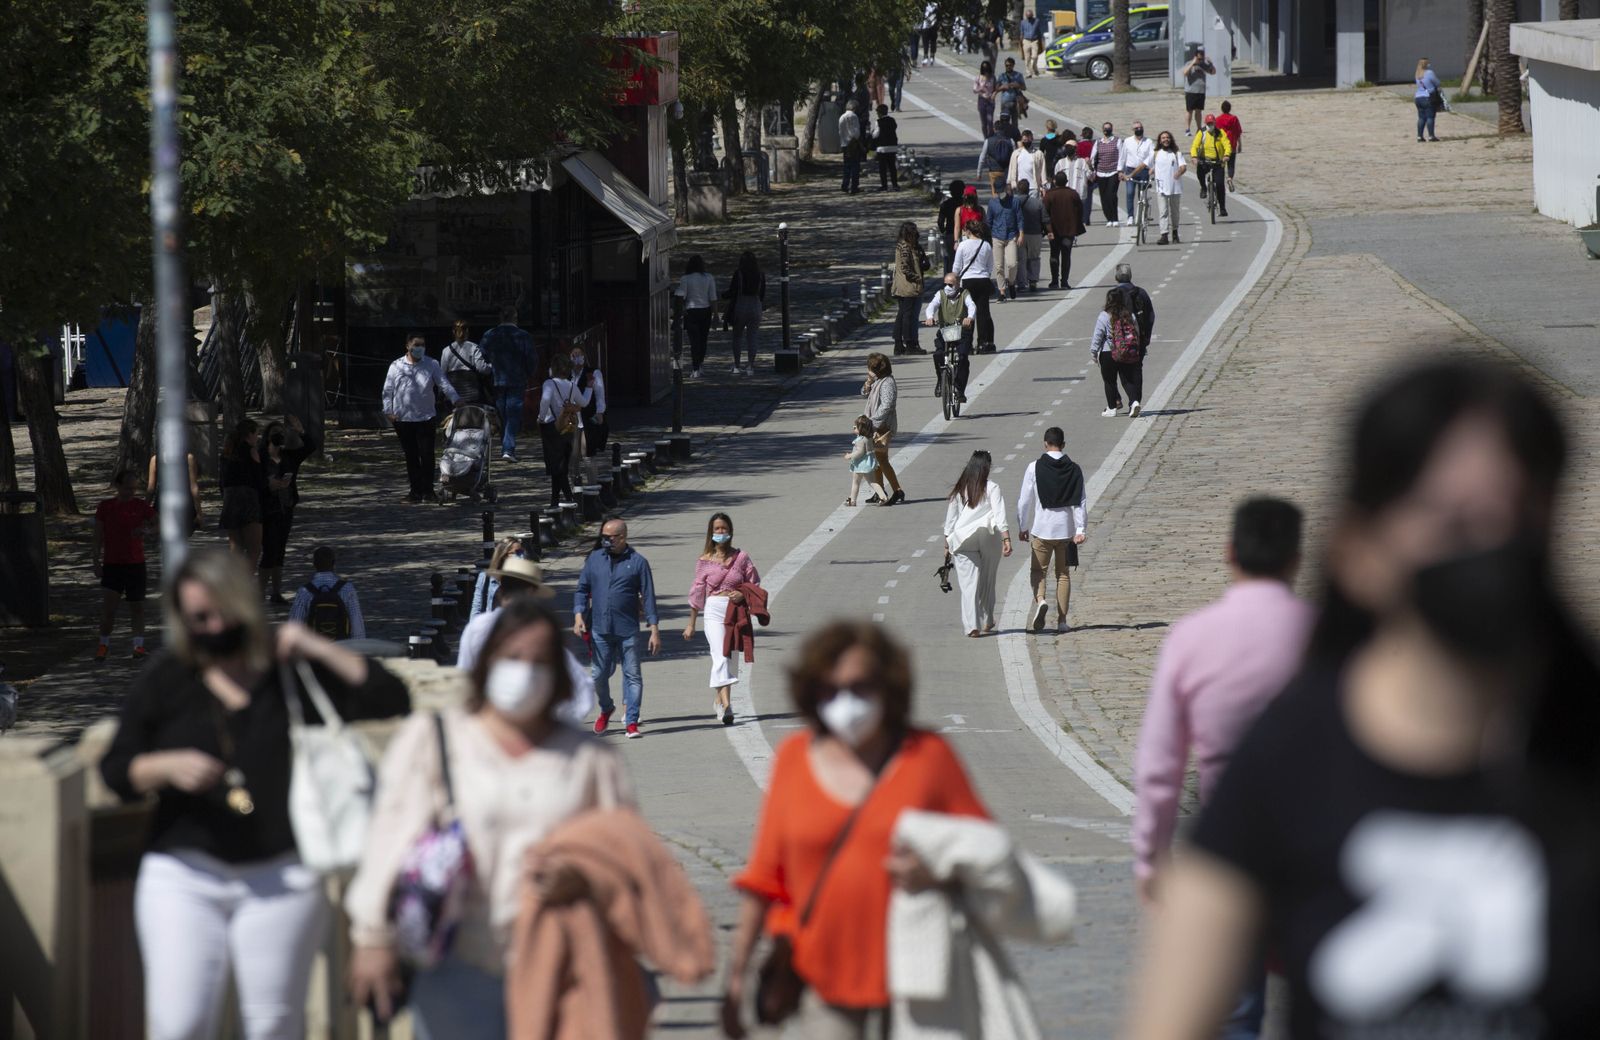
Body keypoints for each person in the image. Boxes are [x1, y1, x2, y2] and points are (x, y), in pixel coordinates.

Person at [1127, 360, 1600, 1038]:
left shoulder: (1580, 752)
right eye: (1454, 521)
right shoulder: (1288, 763)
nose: (1493, 549)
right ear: (1359, 549)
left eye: (1517, 517)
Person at [99, 549, 408, 1040]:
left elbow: (390, 697)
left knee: (272, 1026)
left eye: (224, 611)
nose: (215, 625)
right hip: (184, 873)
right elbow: (116, 768)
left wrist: (313, 645)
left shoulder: (286, 673)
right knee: (179, 1023)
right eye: (200, 617)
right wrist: (164, 766)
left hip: (281, 875)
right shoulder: (169, 677)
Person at [346, 597, 633, 1037]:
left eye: (538, 661)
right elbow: (389, 839)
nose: (524, 672)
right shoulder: (435, 739)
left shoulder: (591, 759)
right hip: (458, 960)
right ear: (487, 664)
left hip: (562, 964)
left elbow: (624, 851)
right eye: (512, 658)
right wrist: (372, 936)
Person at [720, 622, 991, 1040]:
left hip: (919, 976)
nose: (846, 701)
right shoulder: (794, 759)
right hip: (821, 973)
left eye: (861, 687)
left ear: (889, 688)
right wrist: (736, 976)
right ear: (811, 692)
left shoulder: (928, 758)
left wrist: (937, 870)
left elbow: (986, 852)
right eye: (831, 689)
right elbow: (764, 878)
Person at [1131, 496, 1308, 1038]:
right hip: (1319, 844)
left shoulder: (1192, 639)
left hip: (1233, 847)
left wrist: (1149, 858)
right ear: (1295, 559)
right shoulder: (1326, 639)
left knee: (1236, 1010)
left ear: (1230, 553)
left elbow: (1159, 767)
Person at [455, 556, 597, 723]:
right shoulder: (542, 632)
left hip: (488, 726)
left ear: (500, 592)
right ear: (533, 594)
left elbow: (463, 677)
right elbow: (583, 691)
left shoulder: (477, 627)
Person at [575, 518, 661, 739]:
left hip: (628, 629)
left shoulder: (638, 562)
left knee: (633, 675)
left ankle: (631, 722)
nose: (605, 541)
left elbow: (649, 597)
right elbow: (582, 589)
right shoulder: (594, 559)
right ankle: (606, 708)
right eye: (603, 536)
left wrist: (653, 629)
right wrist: (578, 615)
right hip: (600, 629)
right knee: (598, 675)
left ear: (622, 537)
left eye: (609, 537)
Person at [683, 512, 762, 727]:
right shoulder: (704, 562)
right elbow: (697, 593)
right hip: (714, 610)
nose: (720, 532)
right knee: (719, 655)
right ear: (711, 532)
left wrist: (742, 594)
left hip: (735, 610)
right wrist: (691, 623)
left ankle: (719, 700)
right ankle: (728, 706)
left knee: (730, 659)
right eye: (717, 529)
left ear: (730, 531)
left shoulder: (742, 557)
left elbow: (754, 582)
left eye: (724, 529)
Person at [1016, 428, 1087, 634]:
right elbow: (1080, 500)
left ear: (1045, 443)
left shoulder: (1034, 467)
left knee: (1038, 571)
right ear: (1063, 445)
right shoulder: (1074, 469)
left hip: (1042, 529)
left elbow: (1024, 500)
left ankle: (1040, 601)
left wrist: (1022, 526)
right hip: (1066, 531)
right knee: (1063, 575)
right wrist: (1080, 528)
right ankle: (1062, 621)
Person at [382, 333, 459, 503]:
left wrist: (456, 398)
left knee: (427, 455)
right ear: (408, 345)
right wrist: (388, 411)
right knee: (411, 455)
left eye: (422, 345)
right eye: (416, 344)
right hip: (403, 418)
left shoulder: (431, 364)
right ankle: (415, 491)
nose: (420, 348)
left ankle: (428, 491)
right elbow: (388, 390)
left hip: (425, 417)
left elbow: (443, 383)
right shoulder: (396, 366)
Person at [943, 451, 1011, 636]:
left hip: (964, 538)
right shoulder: (992, 487)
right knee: (988, 580)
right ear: (987, 468)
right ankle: (988, 618)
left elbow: (951, 520)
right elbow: (999, 514)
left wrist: (947, 542)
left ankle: (972, 625)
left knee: (969, 585)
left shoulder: (960, 489)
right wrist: (1006, 537)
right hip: (988, 535)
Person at [94, 469, 157, 662]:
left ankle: (138, 645)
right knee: (109, 609)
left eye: (134, 489)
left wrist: (146, 530)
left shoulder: (141, 506)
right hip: (112, 564)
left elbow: (158, 523)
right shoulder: (106, 507)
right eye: (127, 488)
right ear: (117, 486)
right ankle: (103, 644)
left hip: (136, 563)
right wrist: (95, 560)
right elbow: (97, 535)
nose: (130, 492)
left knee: (137, 606)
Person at [259, 415, 316, 606]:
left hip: (286, 507)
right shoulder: (260, 458)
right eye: (276, 434)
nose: (280, 438)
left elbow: (311, 447)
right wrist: (269, 485)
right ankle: (259, 594)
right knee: (269, 550)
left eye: (282, 434)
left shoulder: (289, 457)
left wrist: (301, 430)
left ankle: (276, 592)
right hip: (267, 508)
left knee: (280, 550)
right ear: (268, 437)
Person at [479, 304, 536, 462]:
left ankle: (506, 445)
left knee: (502, 412)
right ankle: (508, 448)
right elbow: (531, 359)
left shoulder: (489, 335)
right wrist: (529, 373)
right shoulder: (523, 336)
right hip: (517, 378)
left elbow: (481, 356)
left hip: (496, 378)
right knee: (513, 412)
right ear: (515, 318)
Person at [536, 353, 591, 508]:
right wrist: (589, 388)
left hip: (552, 426)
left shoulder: (549, 383)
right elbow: (584, 403)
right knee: (562, 464)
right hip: (569, 426)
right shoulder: (572, 385)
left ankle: (565, 498)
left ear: (553, 368)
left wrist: (541, 417)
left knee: (555, 465)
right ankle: (560, 498)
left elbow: (545, 400)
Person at [288, 545, 366, 641]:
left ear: (314, 564)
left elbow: (295, 624)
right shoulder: (347, 589)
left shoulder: (304, 591)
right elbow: (356, 623)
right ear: (333, 563)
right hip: (341, 647)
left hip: (315, 648)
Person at [218, 419, 266, 569]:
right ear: (250, 434)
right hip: (248, 499)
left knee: (236, 547)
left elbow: (222, 481)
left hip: (230, 500)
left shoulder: (227, 452)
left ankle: (233, 582)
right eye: (256, 434)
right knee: (254, 548)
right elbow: (259, 480)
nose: (257, 438)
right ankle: (245, 582)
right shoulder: (251, 451)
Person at [924, 271, 977, 406]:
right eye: (945, 284)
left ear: (958, 284)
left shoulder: (965, 294)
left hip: (962, 330)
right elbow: (932, 306)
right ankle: (940, 380)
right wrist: (930, 317)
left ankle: (960, 390)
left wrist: (969, 318)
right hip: (945, 330)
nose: (947, 287)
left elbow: (972, 305)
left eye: (951, 284)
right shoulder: (940, 294)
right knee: (938, 354)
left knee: (963, 358)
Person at [1091, 287, 1145, 418]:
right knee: (1127, 380)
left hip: (1108, 352)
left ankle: (1112, 408)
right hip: (1126, 352)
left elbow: (1098, 335)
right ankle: (1134, 402)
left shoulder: (1104, 315)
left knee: (1109, 381)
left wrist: (1093, 351)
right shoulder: (1129, 314)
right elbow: (1136, 332)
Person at [860, 353, 905, 506]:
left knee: (882, 460)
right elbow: (864, 393)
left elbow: (887, 405)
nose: (868, 370)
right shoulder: (878, 380)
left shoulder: (887, 383)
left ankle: (897, 490)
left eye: (870, 368)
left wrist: (872, 422)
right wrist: (868, 382)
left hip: (882, 426)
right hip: (875, 425)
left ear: (877, 369)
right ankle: (880, 491)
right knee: (876, 460)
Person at [952, 218, 996, 355]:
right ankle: (982, 343)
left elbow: (957, 267)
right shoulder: (986, 245)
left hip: (967, 281)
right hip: (983, 279)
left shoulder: (963, 246)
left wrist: (954, 281)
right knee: (983, 312)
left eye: (964, 230)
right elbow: (990, 266)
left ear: (968, 231)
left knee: (967, 313)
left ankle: (967, 344)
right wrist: (985, 274)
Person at [890, 221, 931, 357]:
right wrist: (917, 278)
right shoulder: (905, 247)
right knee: (907, 316)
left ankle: (899, 344)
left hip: (905, 286)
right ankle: (909, 344)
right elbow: (905, 268)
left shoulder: (910, 246)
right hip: (907, 287)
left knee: (902, 314)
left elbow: (923, 263)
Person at [675, 254, 718, 379]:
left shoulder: (685, 279)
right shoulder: (709, 278)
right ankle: (700, 365)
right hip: (705, 311)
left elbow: (682, 297)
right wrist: (715, 314)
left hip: (691, 311)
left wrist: (681, 310)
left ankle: (695, 368)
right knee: (703, 340)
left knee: (694, 341)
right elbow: (713, 297)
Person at [1043, 171, 1087, 289]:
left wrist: (1046, 230)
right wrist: (1076, 226)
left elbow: (1044, 214)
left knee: (1054, 255)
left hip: (1054, 231)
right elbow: (1080, 211)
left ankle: (1054, 281)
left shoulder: (1049, 195)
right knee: (1066, 255)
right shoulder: (1073, 194)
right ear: (1066, 182)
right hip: (1069, 230)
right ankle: (1064, 282)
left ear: (1054, 181)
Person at [146, 449, 202, 540]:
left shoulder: (188, 458)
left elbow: (194, 486)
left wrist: (199, 513)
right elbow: (150, 488)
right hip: (162, 505)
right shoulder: (155, 460)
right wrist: (144, 510)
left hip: (184, 505)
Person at [725, 251, 766, 375]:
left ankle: (737, 365)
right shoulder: (760, 275)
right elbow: (762, 294)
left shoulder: (739, 274)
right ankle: (750, 365)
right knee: (752, 336)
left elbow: (733, 291)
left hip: (741, 306)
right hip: (755, 306)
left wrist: (723, 295)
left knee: (737, 336)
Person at [469, 536, 525, 621]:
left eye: (521, 552)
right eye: (515, 553)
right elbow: (476, 608)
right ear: (503, 555)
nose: (520, 557)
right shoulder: (485, 577)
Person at [1189, 114, 1233, 217]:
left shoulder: (1220, 133)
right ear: (1205, 123)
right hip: (1205, 160)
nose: (1210, 125)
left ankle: (1222, 207)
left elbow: (1227, 144)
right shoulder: (1202, 132)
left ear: (1215, 123)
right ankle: (1203, 188)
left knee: (1220, 185)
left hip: (1218, 162)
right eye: (1208, 124)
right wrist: (1194, 157)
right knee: (1200, 172)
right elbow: (1195, 145)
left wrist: (1226, 155)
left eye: (1212, 123)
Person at [441, 319, 493, 406]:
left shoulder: (446, 350)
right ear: (467, 331)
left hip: (454, 393)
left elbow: (442, 373)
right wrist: (491, 366)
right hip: (472, 392)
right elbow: (482, 369)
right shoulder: (474, 348)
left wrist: (441, 393)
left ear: (453, 332)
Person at [570, 341, 608, 457]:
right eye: (573, 355)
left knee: (587, 450)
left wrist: (600, 412)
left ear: (584, 356)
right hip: (572, 417)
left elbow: (599, 394)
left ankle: (590, 473)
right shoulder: (568, 374)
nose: (576, 357)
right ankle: (575, 474)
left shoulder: (593, 373)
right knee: (573, 451)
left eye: (579, 354)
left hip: (588, 415)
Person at [986, 182, 1023, 302]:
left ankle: (1011, 282)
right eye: (998, 191)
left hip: (1011, 236)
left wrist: (1021, 234)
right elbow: (989, 222)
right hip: (996, 236)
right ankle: (1002, 292)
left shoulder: (1015, 201)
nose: (1000, 194)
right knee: (999, 266)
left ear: (1006, 189)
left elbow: (1020, 218)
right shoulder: (992, 203)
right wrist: (987, 238)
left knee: (1012, 264)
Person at [1152, 130, 1187, 246]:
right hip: (1161, 187)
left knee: (1175, 212)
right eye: (1163, 138)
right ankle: (1164, 235)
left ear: (1170, 139)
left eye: (1167, 137)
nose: (1165, 139)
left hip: (1175, 187)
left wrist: (1179, 172)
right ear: (1160, 140)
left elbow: (1183, 167)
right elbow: (1149, 165)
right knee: (1163, 212)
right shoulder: (1156, 153)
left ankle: (1175, 232)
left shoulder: (1176, 153)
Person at [1054, 132, 1093, 228]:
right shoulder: (1060, 163)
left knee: (1076, 218)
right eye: (1067, 147)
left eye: (1071, 147)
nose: (1068, 150)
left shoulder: (1082, 162)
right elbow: (1056, 179)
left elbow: (1090, 176)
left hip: (1078, 195)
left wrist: (1090, 166)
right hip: (1064, 195)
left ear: (1075, 149)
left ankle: (1073, 236)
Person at [1089, 121, 1124, 226]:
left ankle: (1115, 218)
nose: (1106, 130)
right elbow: (1092, 156)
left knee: (1111, 195)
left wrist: (1120, 170)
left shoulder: (1117, 141)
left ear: (1111, 129)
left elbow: (1121, 156)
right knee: (1103, 197)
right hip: (1101, 173)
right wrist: (1093, 170)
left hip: (1113, 172)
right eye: (1105, 128)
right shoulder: (1098, 142)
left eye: (1108, 128)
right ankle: (1109, 218)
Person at [1121, 121, 1156, 227]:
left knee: (1142, 194)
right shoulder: (1127, 141)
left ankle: (1142, 214)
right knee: (1130, 193)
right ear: (1133, 130)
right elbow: (1123, 157)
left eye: (1140, 127)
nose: (1139, 129)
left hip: (1144, 171)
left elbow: (1153, 155)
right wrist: (1120, 171)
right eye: (1136, 128)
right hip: (1130, 170)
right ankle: (1130, 216)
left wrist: (1152, 168)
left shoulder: (1148, 141)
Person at [1017, 179, 1047, 292]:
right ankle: (1033, 281)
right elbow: (1044, 219)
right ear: (1029, 189)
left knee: (1021, 259)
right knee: (1034, 258)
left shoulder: (1014, 202)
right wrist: (1047, 231)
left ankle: (1021, 283)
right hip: (1035, 234)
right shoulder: (1038, 202)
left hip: (1019, 235)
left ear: (1018, 189)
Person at [843, 415, 879, 507]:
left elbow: (859, 453)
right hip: (868, 463)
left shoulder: (860, 440)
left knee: (856, 483)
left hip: (860, 465)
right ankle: (883, 496)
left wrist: (849, 456)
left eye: (855, 427)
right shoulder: (868, 438)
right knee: (872, 482)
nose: (853, 428)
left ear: (861, 429)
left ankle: (852, 500)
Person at [975, 116, 1013, 197]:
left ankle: (997, 206)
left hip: (994, 170)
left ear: (994, 129)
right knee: (1007, 192)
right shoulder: (1010, 141)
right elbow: (1015, 158)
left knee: (995, 191)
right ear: (1003, 129)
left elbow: (982, 158)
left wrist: (979, 173)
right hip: (1007, 171)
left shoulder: (988, 141)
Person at [1182, 46, 1216, 133]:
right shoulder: (1189, 63)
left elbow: (1213, 72)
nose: (1201, 57)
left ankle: (1198, 128)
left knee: (1199, 111)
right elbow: (1185, 73)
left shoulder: (1204, 64)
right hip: (1191, 91)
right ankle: (1187, 129)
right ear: (1196, 55)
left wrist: (1211, 64)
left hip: (1201, 91)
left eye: (1202, 55)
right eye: (1199, 55)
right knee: (1189, 111)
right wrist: (1193, 63)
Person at [936, 179, 967, 274]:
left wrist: (943, 230)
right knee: (964, 258)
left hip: (950, 233)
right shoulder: (965, 204)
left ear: (951, 191)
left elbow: (940, 221)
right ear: (963, 191)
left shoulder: (945, 204)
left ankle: (950, 280)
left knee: (951, 258)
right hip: (965, 234)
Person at [1007, 128, 1046, 198]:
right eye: (1024, 140)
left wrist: (1043, 186)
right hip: (1018, 188)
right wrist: (1009, 183)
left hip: (1033, 188)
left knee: (1032, 208)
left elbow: (1042, 171)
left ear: (1032, 139)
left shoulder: (1038, 154)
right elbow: (1011, 169)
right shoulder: (1016, 154)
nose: (1026, 142)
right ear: (1021, 140)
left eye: (1028, 140)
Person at [1214, 98, 1243, 186]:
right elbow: (1238, 131)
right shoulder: (1234, 118)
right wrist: (1240, 144)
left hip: (1221, 144)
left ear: (1221, 109)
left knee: (1221, 163)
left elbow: (1215, 132)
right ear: (1230, 108)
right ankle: (1230, 178)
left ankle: (1220, 181)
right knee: (1231, 164)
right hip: (1232, 142)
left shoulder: (1218, 119)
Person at [839, 100, 865, 195]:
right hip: (853, 144)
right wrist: (859, 143)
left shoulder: (842, 117)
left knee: (847, 166)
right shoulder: (853, 116)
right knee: (855, 166)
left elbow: (841, 132)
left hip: (845, 144)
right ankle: (854, 186)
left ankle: (845, 184)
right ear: (854, 108)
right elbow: (856, 133)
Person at [1414, 58, 1442, 142]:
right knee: (1430, 117)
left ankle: (1419, 136)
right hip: (1428, 97)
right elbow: (1437, 82)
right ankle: (1431, 136)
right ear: (1426, 64)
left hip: (1418, 97)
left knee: (1421, 118)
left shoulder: (1417, 74)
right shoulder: (1429, 73)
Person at [872, 104, 899, 189]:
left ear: (879, 113)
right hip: (893, 146)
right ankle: (895, 184)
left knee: (882, 168)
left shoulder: (878, 122)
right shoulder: (892, 120)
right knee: (892, 167)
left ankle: (884, 185)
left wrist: (871, 135)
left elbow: (876, 134)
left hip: (882, 147)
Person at [995, 56, 1026, 124]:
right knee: (1004, 122)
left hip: (1015, 102)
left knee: (1015, 123)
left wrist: (1018, 85)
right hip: (1005, 102)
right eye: (1006, 65)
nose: (1008, 67)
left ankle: (1014, 134)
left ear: (1013, 65)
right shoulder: (1002, 76)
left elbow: (1024, 87)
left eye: (1010, 65)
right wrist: (1002, 87)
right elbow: (996, 89)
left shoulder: (1018, 75)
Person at [972, 60, 997, 138]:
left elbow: (996, 88)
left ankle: (991, 138)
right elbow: (974, 90)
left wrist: (994, 94)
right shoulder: (978, 77)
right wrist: (980, 89)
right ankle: (986, 138)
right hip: (982, 101)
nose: (986, 71)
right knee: (984, 123)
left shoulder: (993, 77)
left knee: (990, 121)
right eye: (984, 69)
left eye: (987, 69)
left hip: (990, 101)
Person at [1019, 8, 1044, 75]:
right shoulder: (1023, 22)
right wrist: (1021, 42)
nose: (1029, 19)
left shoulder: (1037, 21)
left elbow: (1039, 32)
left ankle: (1034, 67)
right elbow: (1021, 32)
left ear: (1032, 16)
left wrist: (1041, 41)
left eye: (1030, 17)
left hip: (1034, 40)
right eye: (1028, 17)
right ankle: (1028, 72)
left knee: (1034, 56)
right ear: (1026, 16)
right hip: (1026, 40)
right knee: (1027, 58)